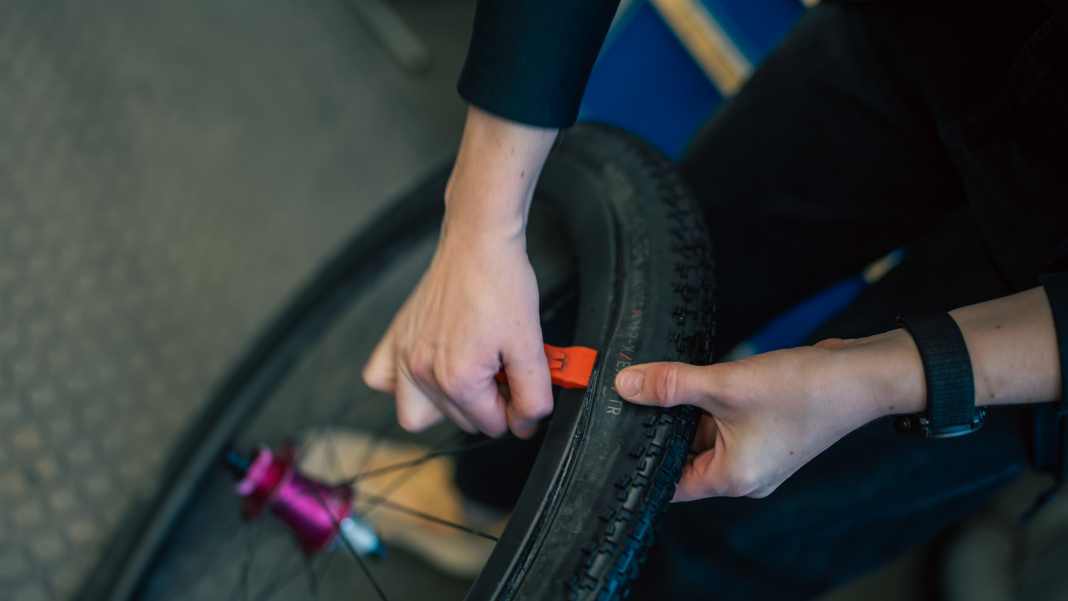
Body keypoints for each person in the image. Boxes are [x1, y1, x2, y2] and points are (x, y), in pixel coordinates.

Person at [359, 1, 1068, 598]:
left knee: (763, 515)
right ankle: (478, 498)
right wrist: (482, 223)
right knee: (656, 289)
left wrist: (881, 381)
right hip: (938, 32)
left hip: (1043, 314)